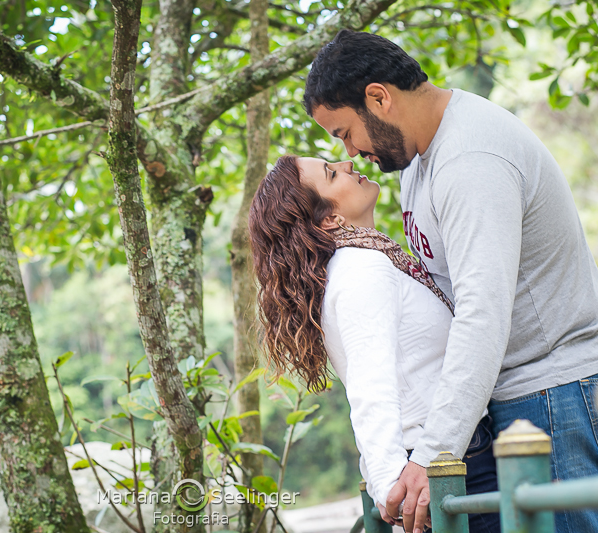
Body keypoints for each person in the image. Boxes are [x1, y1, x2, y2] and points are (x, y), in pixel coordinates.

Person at [302, 29, 598, 533]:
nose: (350, 152)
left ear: (379, 97)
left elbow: (480, 314)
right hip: (512, 400)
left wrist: (434, 453)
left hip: (551, 393)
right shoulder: (420, 160)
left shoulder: (469, 160)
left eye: (344, 133)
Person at [248, 155, 500, 532]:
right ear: (330, 219)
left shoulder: (368, 262)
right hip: (443, 464)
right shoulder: (361, 271)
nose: (347, 163)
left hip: (445, 454)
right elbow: (371, 386)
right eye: (332, 174)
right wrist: (388, 484)